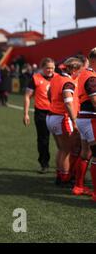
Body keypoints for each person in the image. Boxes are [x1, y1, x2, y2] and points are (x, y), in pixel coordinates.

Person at [46, 57, 82, 186]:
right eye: (79, 71)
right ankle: (65, 178)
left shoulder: (56, 78)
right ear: (73, 70)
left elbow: (49, 93)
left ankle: (59, 175)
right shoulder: (68, 82)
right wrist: (74, 120)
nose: (79, 74)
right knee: (67, 150)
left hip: (51, 116)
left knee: (61, 149)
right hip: (62, 117)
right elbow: (68, 102)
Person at [24, 58, 56, 174]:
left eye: (52, 68)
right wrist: (26, 114)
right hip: (41, 113)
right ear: (42, 67)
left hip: (56, 113)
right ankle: (44, 164)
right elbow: (27, 96)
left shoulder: (58, 77)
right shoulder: (35, 78)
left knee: (62, 141)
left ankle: (63, 165)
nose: (50, 70)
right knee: (43, 140)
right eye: (47, 68)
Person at [73, 48, 96, 201]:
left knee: (86, 153)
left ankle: (79, 186)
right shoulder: (91, 77)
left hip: (84, 118)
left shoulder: (86, 74)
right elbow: (95, 101)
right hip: (90, 118)